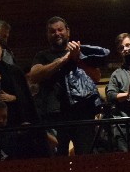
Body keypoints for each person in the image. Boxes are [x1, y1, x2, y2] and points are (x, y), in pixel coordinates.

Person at [29, 16, 104, 155]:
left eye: (60, 30)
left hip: (82, 114)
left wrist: (78, 59)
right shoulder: (42, 55)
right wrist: (65, 59)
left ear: (68, 31)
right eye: (52, 31)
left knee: (86, 158)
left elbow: (96, 77)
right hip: (54, 116)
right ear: (47, 35)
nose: (57, 33)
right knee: (57, 160)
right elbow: (34, 75)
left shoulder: (81, 52)